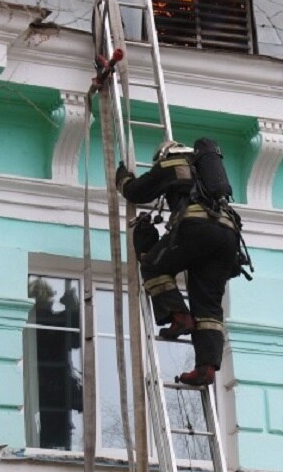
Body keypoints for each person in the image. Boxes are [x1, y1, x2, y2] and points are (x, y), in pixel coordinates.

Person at [115, 140, 240, 387]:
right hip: (228, 237)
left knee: (153, 266)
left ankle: (178, 316)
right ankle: (206, 367)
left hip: (198, 228)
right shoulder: (206, 174)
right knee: (209, 307)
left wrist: (122, 177)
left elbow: (136, 192)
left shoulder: (170, 163)